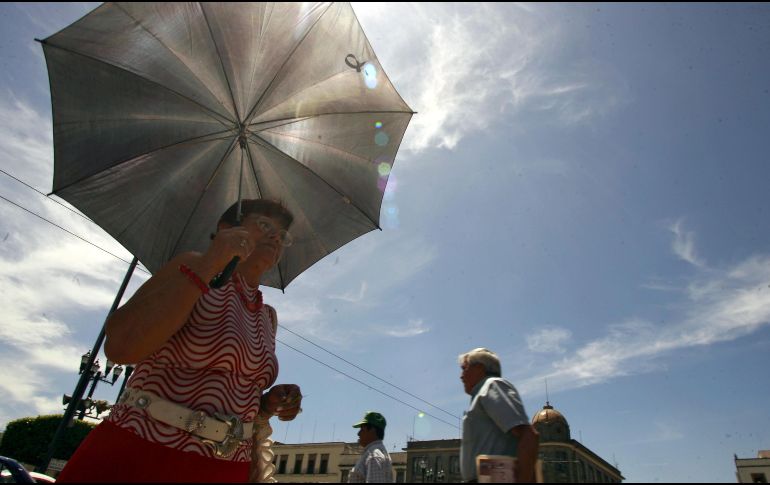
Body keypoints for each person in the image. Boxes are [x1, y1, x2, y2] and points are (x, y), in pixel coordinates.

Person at [57, 199, 303, 483]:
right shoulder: (191, 267)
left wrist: (267, 404)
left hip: (225, 468)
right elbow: (121, 347)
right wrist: (211, 261)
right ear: (226, 228)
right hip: (144, 451)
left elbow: (229, 392)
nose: (275, 236)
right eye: (263, 225)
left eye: (283, 235)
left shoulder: (267, 316)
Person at [459, 348, 539, 483]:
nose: (461, 376)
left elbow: (528, 435)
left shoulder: (492, 385)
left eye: (464, 368)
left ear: (479, 368)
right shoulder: (482, 393)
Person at [348, 412, 394, 483]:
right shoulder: (377, 453)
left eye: (362, 429)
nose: (358, 433)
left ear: (372, 430)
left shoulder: (373, 456)